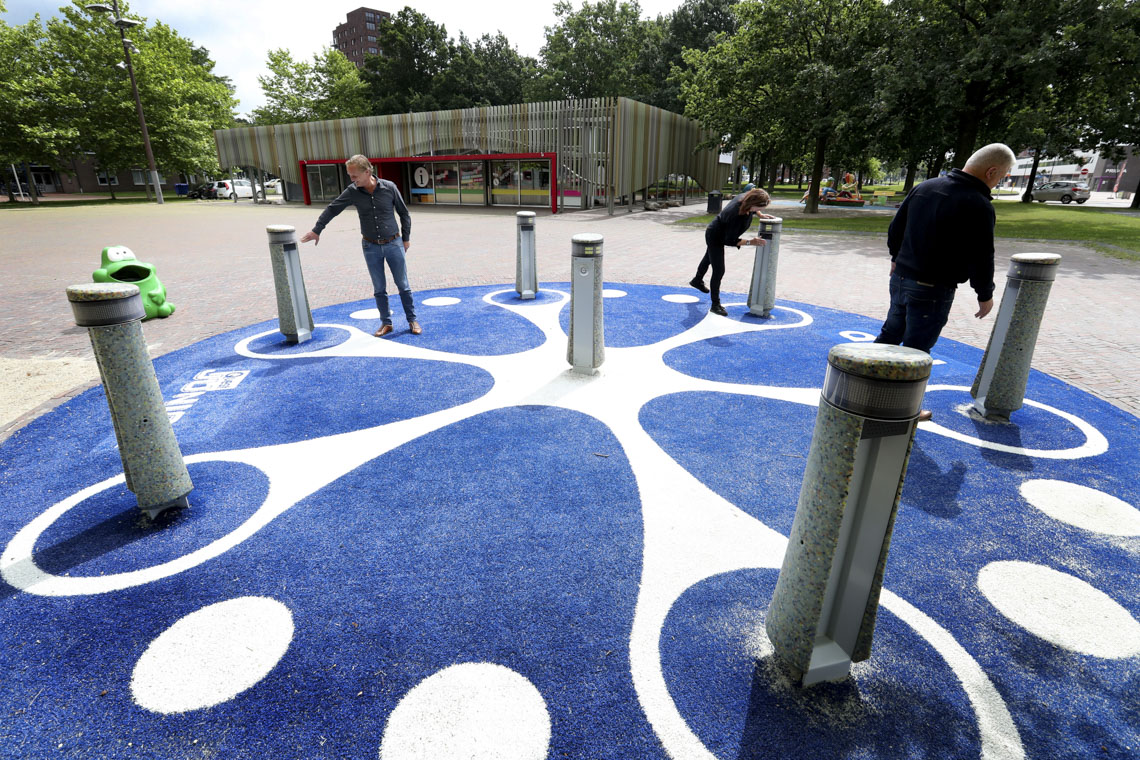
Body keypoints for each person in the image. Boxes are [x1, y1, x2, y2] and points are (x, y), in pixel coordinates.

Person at [873, 142, 1017, 418]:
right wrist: (984, 293)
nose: (1001, 181)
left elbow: (896, 228)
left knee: (890, 335)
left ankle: (866, 385)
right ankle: (901, 409)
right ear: (991, 171)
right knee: (917, 351)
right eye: (1003, 175)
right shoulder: (977, 204)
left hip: (902, 278)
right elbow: (981, 254)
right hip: (933, 288)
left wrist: (896, 258)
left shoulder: (925, 187)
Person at [300, 154, 420, 337]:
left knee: (403, 285)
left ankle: (412, 320)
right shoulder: (352, 191)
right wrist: (317, 230)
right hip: (370, 246)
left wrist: (406, 238)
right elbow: (333, 209)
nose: (352, 179)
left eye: (355, 175)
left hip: (394, 243)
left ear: (368, 172)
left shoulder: (389, 187)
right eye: (350, 175)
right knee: (379, 288)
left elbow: (404, 214)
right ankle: (386, 323)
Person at [690, 187, 774, 316]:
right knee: (719, 270)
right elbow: (729, 240)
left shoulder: (746, 197)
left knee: (709, 258)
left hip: (718, 231)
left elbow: (753, 198)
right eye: (759, 208)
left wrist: (760, 215)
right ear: (752, 204)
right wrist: (751, 242)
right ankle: (715, 304)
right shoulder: (736, 215)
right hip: (716, 236)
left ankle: (697, 280)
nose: (759, 211)